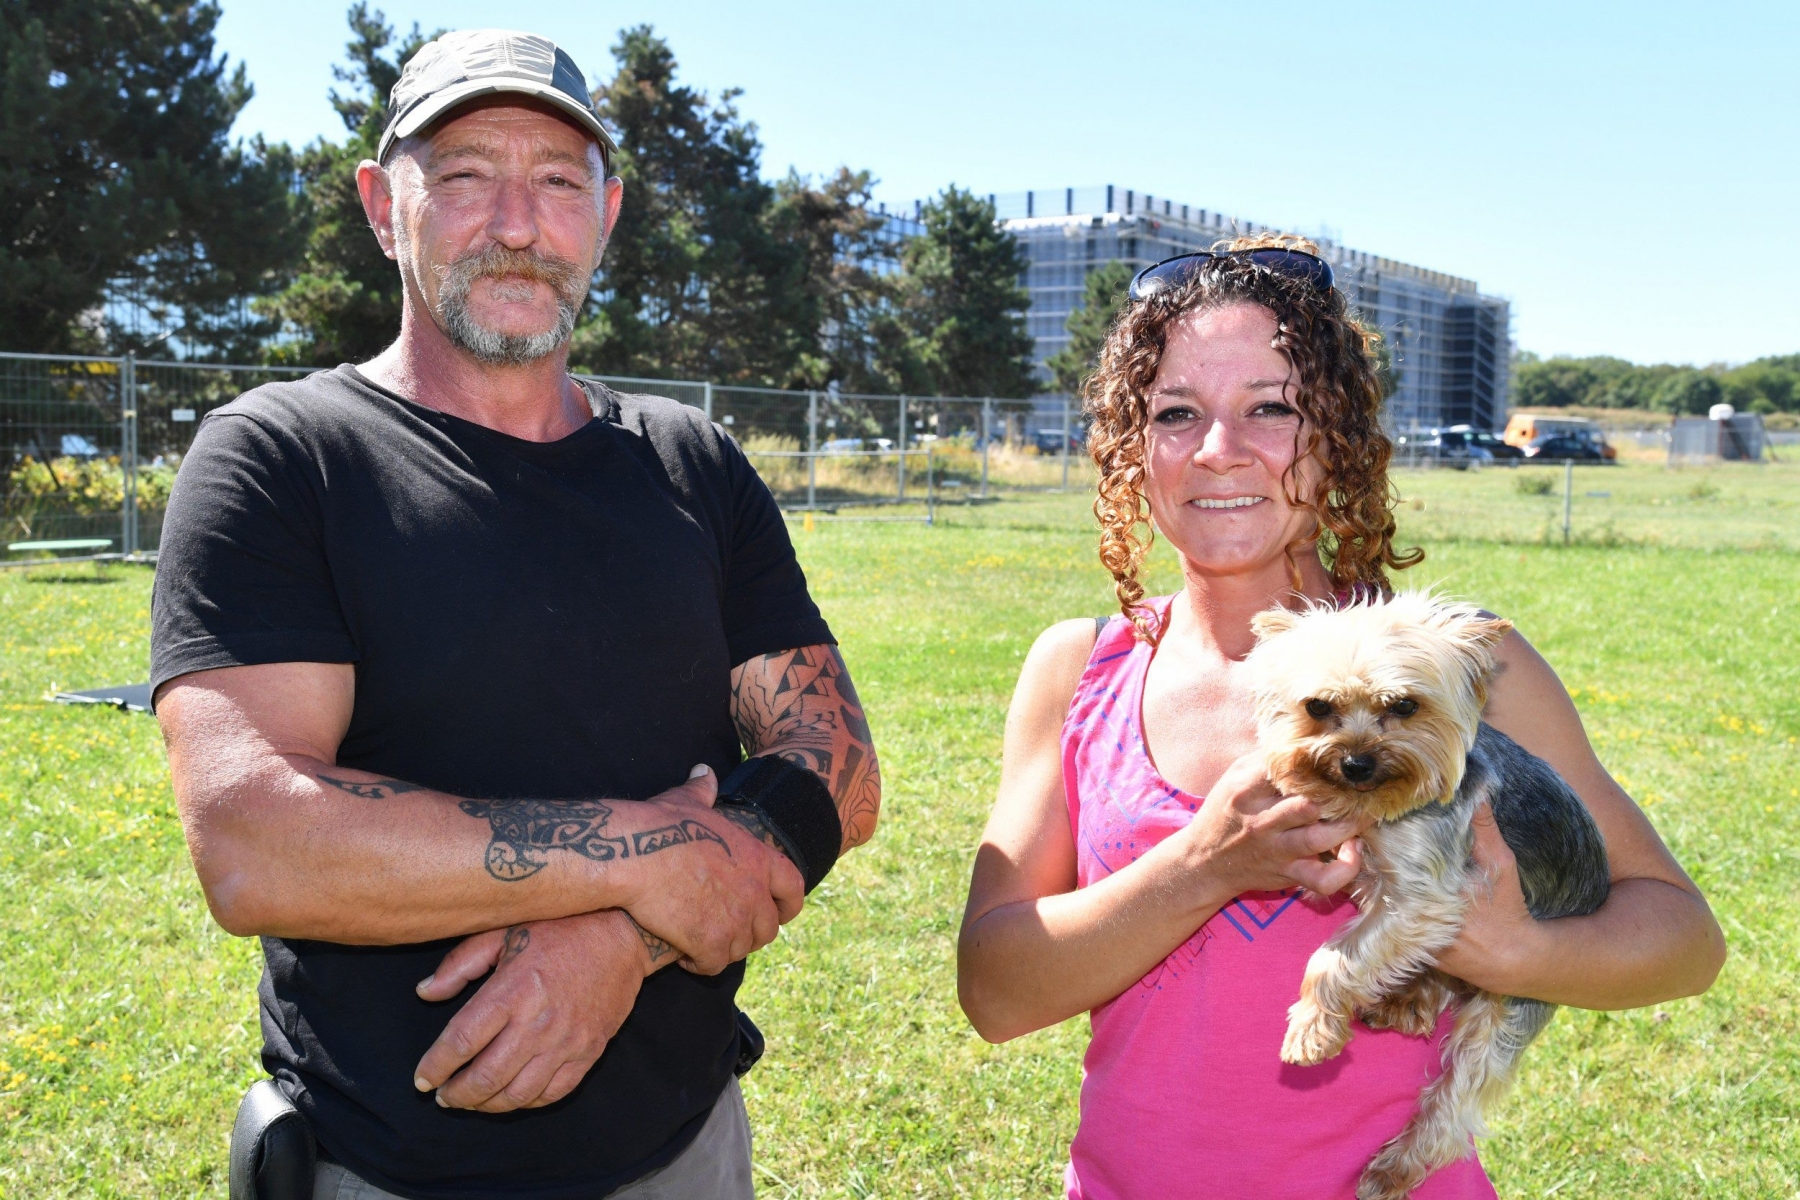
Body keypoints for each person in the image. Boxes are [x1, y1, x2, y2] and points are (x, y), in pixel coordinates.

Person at [152, 29, 879, 1200]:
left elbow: (836, 766)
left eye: (556, 181)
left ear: (608, 212)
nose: (516, 223)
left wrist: (622, 938)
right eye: (465, 174)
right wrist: (652, 854)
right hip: (390, 1170)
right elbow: (253, 840)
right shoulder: (283, 459)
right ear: (385, 207)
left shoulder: (690, 463)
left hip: (689, 1150)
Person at [955, 236, 1723, 1199]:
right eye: (1175, 413)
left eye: (1270, 408)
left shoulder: (1468, 668)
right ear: (1129, 447)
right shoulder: (1079, 669)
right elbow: (994, 993)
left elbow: (1685, 938)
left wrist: (1519, 949)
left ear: (1338, 437)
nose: (1218, 449)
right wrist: (1206, 865)